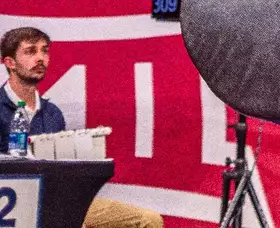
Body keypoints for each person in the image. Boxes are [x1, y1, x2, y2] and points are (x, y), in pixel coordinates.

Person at [1, 27, 165, 228]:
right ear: (10, 62)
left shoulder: (53, 113)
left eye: (44, 50)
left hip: (60, 200)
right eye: (31, 51)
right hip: (14, 203)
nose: (40, 58)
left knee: (148, 220)